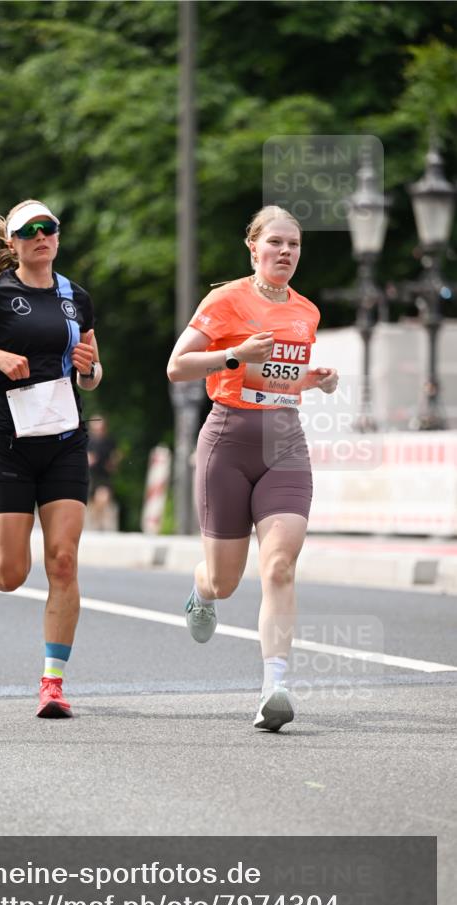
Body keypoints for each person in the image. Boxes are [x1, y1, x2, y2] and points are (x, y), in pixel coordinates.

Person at [167, 205, 339, 732]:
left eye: (294, 245)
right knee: (225, 580)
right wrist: (234, 355)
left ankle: (274, 688)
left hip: (284, 441)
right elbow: (177, 368)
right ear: (254, 247)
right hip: (228, 438)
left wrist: (314, 381)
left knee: (280, 566)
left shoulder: (306, 311)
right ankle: (201, 588)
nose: (285, 252)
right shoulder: (225, 300)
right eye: (276, 243)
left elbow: (280, 380)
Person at [0, 196, 102, 719]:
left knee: (65, 561)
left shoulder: (77, 298)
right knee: (14, 570)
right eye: (28, 230)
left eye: (48, 227)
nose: (40, 235)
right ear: (13, 243)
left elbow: (94, 375)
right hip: (7, 443)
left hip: (65, 441)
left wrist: (90, 369)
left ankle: (52, 683)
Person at [86, 414, 120, 530]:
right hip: (90, 475)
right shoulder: (87, 440)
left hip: (103, 476)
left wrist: (113, 464)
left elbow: (115, 457)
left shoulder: (109, 441)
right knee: (92, 503)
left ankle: (99, 522)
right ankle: (95, 522)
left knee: (103, 498)